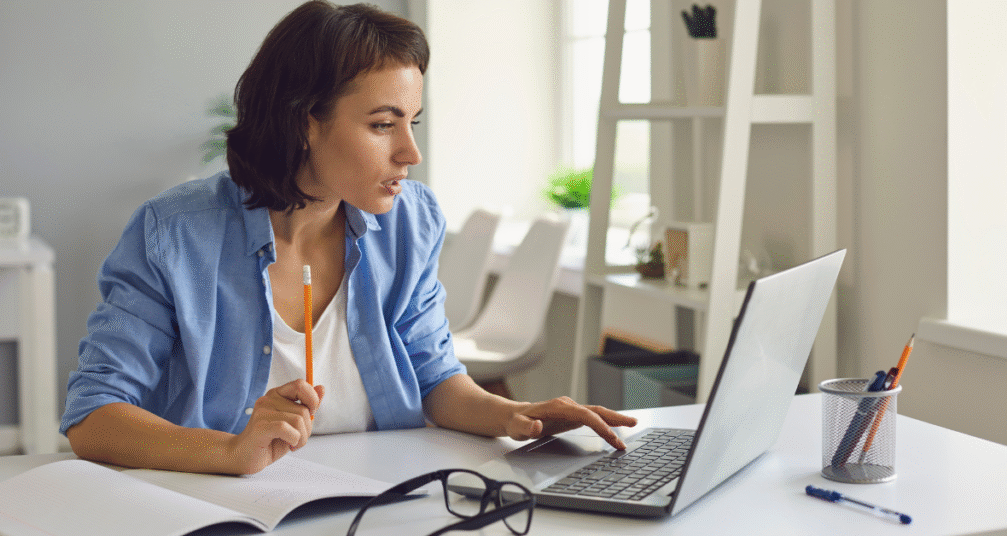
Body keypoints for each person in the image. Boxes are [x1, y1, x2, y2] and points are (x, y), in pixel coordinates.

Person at [61, 0, 636, 476]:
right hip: (225, 509)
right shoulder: (176, 234)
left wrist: (517, 416)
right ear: (303, 122)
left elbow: (435, 378)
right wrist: (229, 451)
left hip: (378, 496)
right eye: (383, 125)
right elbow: (94, 415)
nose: (410, 152)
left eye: (412, 122)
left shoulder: (410, 220)